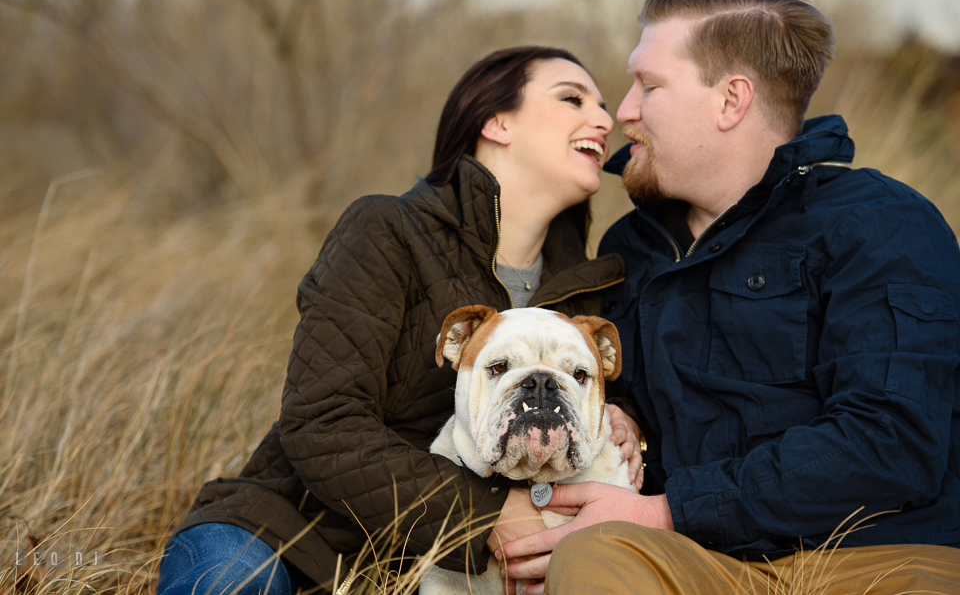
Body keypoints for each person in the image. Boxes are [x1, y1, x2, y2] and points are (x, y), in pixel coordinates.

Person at [495, 0, 960, 593]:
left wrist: (667, 511)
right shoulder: (632, 246)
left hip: (879, 560)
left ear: (730, 100)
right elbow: (624, 415)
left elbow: (892, 442)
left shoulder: (881, 223)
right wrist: (622, 424)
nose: (624, 111)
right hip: (698, 560)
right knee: (588, 557)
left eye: (648, 85)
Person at [156, 46, 646, 595]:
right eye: (572, 98)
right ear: (496, 122)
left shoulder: (592, 283)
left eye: (603, 105)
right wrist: (487, 516)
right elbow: (322, 423)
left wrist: (619, 416)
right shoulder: (386, 230)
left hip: (442, 572)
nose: (605, 119)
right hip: (293, 533)